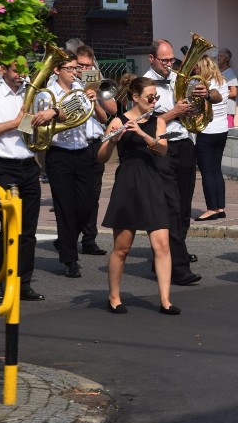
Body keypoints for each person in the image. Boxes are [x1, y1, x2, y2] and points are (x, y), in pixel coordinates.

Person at [0, 59, 63, 302]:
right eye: (16, 71)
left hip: (28, 165)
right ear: (3, 70)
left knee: (28, 230)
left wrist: (50, 114)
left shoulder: (32, 94)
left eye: (25, 71)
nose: (21, 76)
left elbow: (60, 114)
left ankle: (22, 282)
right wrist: (14, 124)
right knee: (9, 226)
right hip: (3, 166)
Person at [98, 75, 180, 315]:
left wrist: (143, 134)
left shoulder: (158, 122)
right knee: (122, 247)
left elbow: (163, 150)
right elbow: (101, 157)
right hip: (128, 183)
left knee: (162, 244)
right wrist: (113, 140)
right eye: (149, 97)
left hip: (152, 182)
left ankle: (165, 300)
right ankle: (114, 296)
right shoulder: (117, 121)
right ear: (135, 97)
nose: (154, 101)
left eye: (156, 97)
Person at [143, 39, 202, 285]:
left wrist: (201, 98)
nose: (169, 64)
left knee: (185, 206)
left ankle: (170, 257)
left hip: (185, 145)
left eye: (170, 60)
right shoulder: (145, 84)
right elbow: (146, 120)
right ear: (151, 59)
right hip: (162, 147)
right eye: (164, 60)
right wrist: (174, 113)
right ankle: (178, 267)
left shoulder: (179, 78)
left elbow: (203, 105)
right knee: (171, 207)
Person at [44, 54, 101, 278]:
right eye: (69, 68)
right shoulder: (47, 93)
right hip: (59, 154)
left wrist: (93, 100)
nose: (74, 72)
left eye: (75, 68)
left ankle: (65, 240)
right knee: (65, 208)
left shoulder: (81, 88)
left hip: (83, 151)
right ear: (57, 70)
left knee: (86, 206)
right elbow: (46, 120)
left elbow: (97, 116)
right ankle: (70, 259)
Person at [76, 45, 116, 257]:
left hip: (93, 143)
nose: (84, 69)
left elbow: (112, 111)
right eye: (80, 65)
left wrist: (97, 90)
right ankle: (70, 235)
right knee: (75, 196)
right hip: (74, 145)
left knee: (93, 194)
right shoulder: (68, 84)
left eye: (88, 65)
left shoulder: (97, 83)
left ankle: (89, 239)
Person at [191, 55, 227, 221]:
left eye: (196, 67)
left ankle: (211, 208)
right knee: (216, 170)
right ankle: (220, 207)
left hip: (207, 131)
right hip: (222, 130)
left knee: (207, 172)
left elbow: (203, 106)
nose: (194, 70)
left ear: (202, 67)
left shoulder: (204, 84)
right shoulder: (222, 80)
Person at [217, 48, 238, 128]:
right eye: (218, 56)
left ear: (227, 59)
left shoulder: (230, 72)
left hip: (228, 109)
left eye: (221, 56)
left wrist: (218, 94)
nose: (219, 58)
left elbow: (234, 93)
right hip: (219, 109)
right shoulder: (218, 71)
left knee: (229, 132)